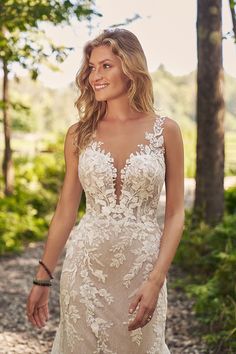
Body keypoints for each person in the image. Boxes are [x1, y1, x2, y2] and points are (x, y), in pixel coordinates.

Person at [27, 28, 184, 354]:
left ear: (130, 67)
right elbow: (66, 212)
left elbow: (175, 213)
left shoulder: (166, 131)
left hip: (142, 271)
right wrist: (43, 278)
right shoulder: (79, 134)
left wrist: (156, 280)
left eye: (105, 66)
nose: (94, 76)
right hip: (84, 269)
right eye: (91, 67)